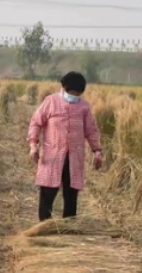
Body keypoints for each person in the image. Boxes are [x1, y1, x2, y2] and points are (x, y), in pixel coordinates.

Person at [28, 71, 103, 222]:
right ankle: (44, 225)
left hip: (74, 157)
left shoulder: (84, 107)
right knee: (47, 192)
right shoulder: (51, 102)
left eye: (78, 93)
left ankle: (68, 226)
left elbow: (91, 130)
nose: (74, 95)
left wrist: (97, 151)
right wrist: (33, 145)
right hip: (52, 156)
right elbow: (36, 123)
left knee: (71, 193)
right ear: (64, 88)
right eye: (72, 92)